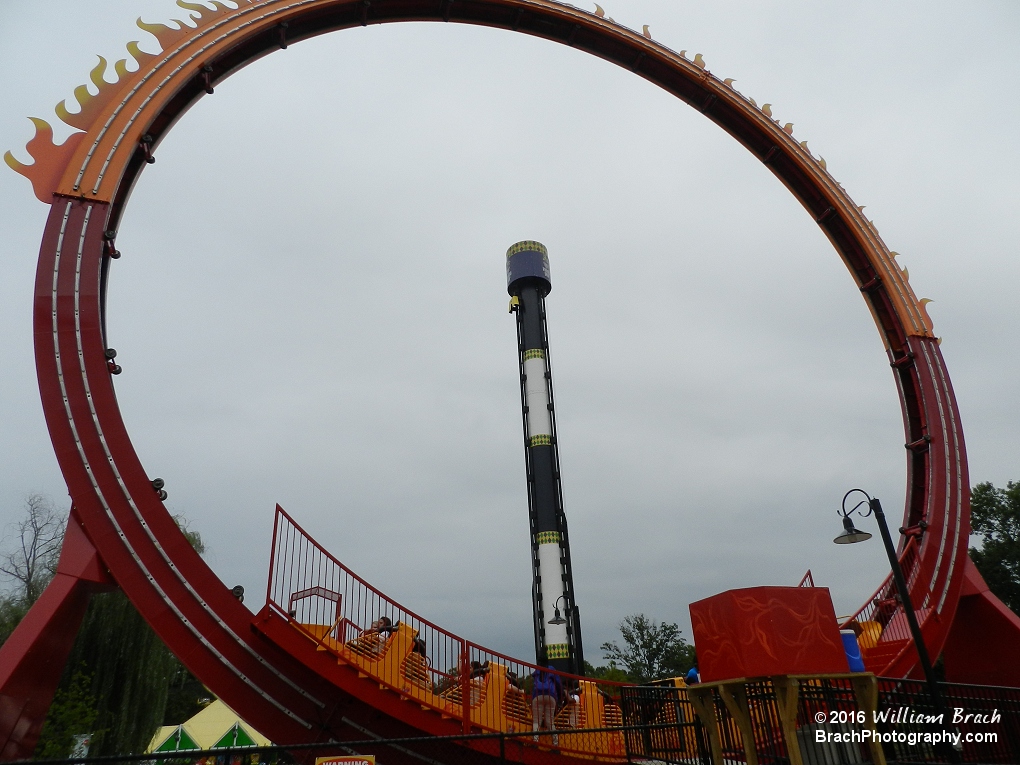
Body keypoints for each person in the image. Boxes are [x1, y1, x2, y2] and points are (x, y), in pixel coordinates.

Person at [531, 664, 564, 745]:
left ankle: (535, 742)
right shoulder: (552, 669)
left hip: (537, 695)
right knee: (550, 722)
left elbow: (534, 682)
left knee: (536, 721)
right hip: (551, 694)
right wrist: (560, 698)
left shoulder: (537, 670)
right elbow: (558, 684)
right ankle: (555, 743)